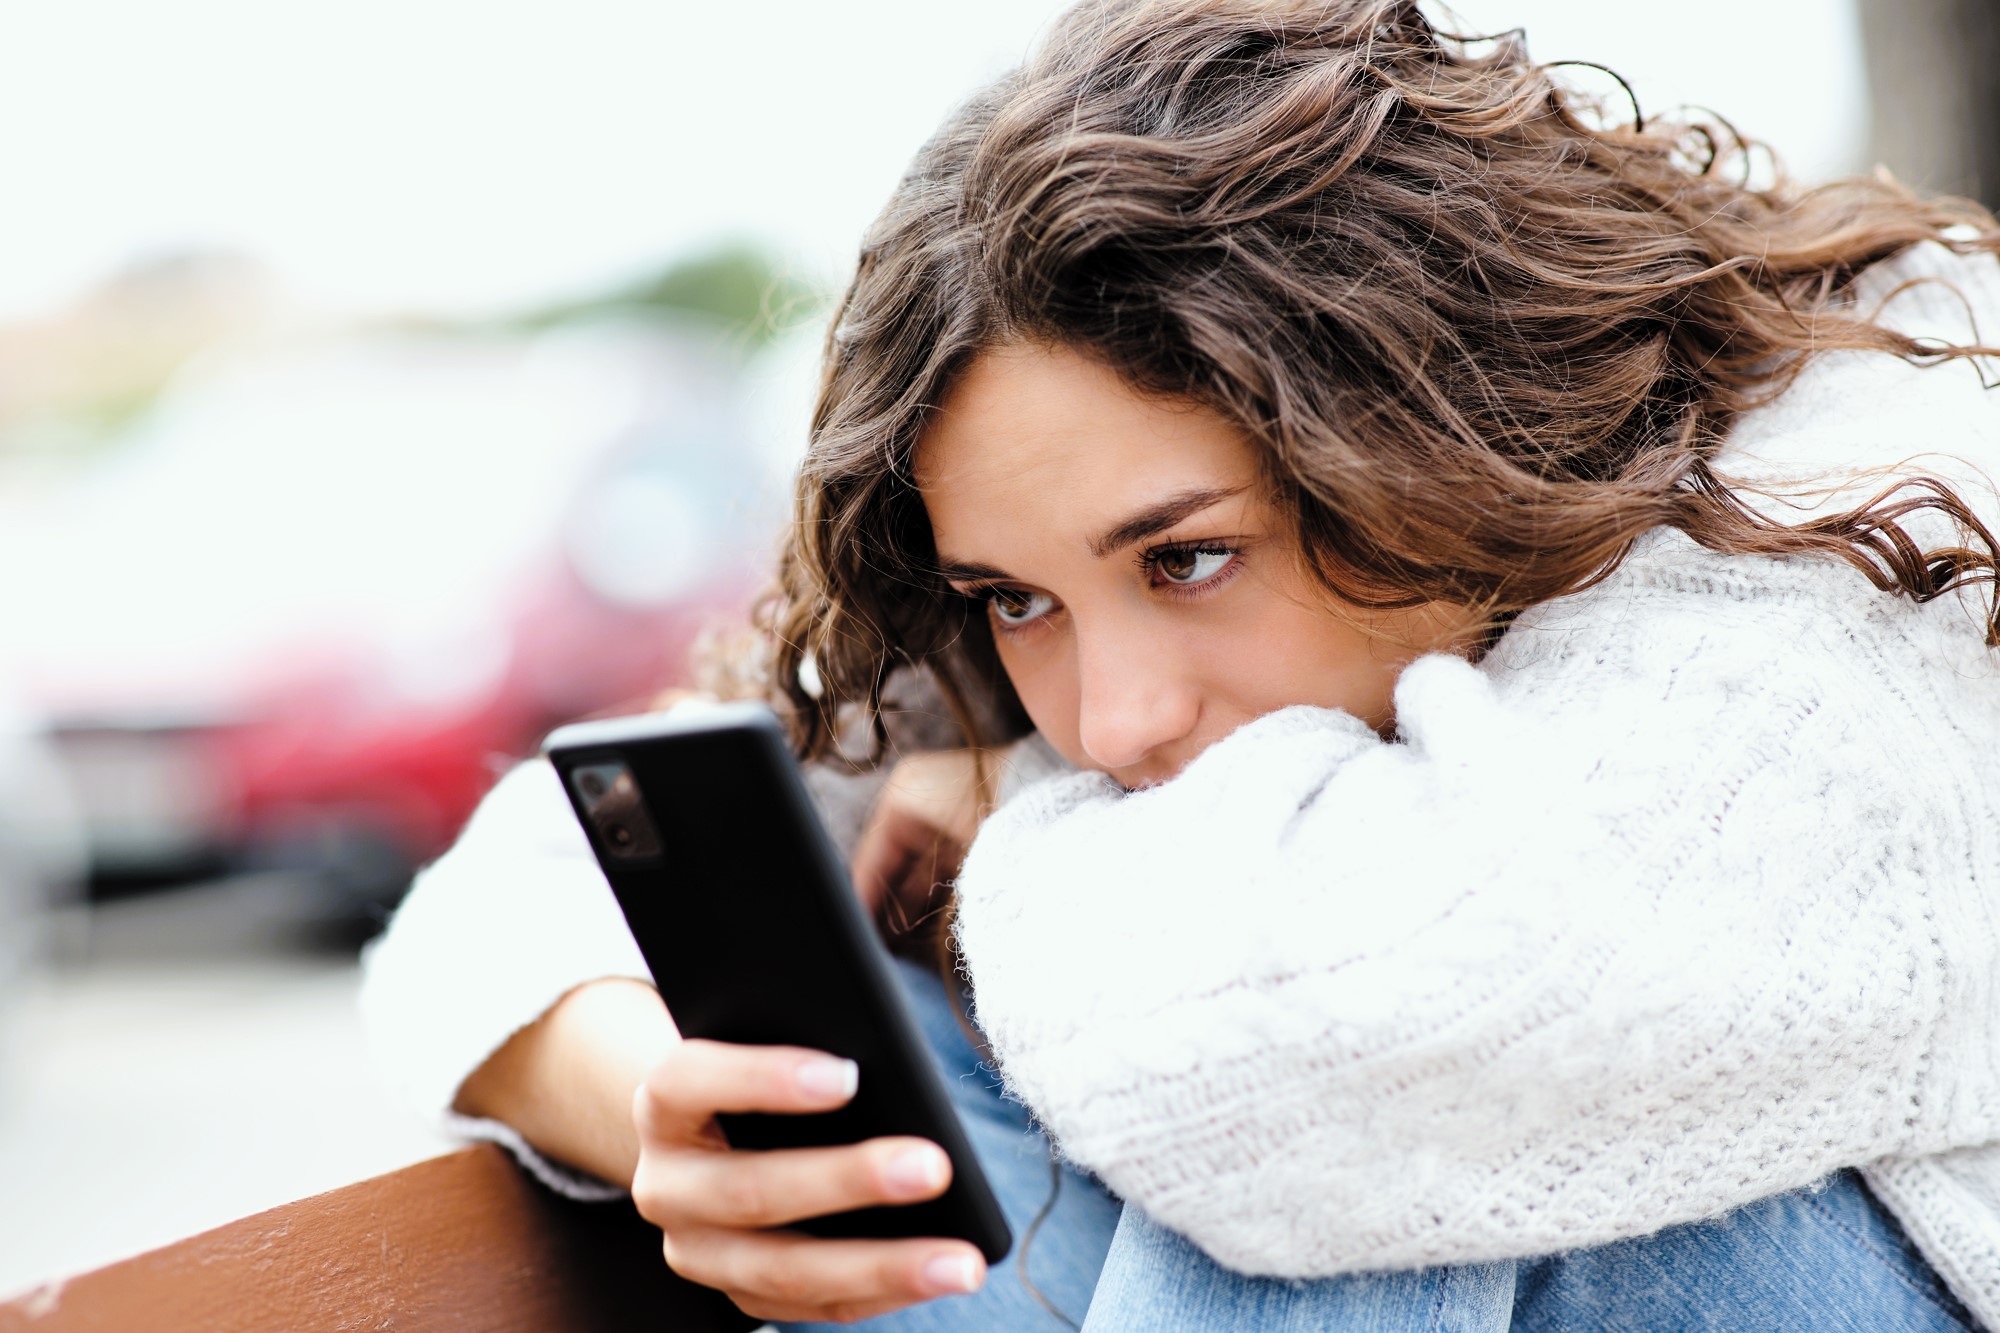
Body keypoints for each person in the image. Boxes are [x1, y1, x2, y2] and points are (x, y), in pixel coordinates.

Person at [360, 1, 2000, 1328]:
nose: (1118, 714)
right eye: (1017, 599)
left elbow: (1371, 1012)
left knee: (1336, 1123)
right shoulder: (1130, 645)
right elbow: (531, 873)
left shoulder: (1858, 513)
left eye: (1190, 557)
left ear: (1443, 429)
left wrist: (999, 809)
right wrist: (661, 1099)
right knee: (852, 1048)